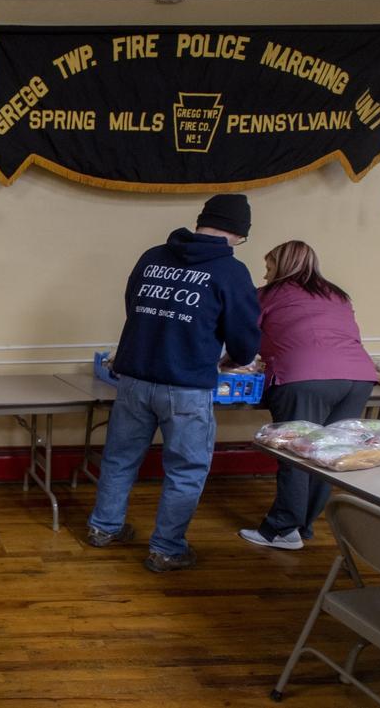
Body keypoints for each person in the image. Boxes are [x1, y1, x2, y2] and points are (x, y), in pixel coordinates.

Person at [87, 193, 261, 573]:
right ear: (238, 233)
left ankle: (104, 528)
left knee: (119, 459)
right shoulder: (230, 272)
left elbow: (134, 306)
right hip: (186, 387)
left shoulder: (152, 257)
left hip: (134, 377)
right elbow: (245, 339)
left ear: (202, 220)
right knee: (186, 470)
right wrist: (238, 358)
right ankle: (166, 549)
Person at [238, 240, 377, 550]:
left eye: (269, 266)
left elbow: (246, 340)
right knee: (327, 453)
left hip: (305, 378)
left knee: (294, 452)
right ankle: (304, 526)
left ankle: (281, 529)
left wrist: (228, 362)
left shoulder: (268, 295)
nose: (266, 272)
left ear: (283, 265)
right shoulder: (337, 295)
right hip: (359, 377)